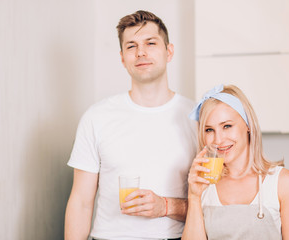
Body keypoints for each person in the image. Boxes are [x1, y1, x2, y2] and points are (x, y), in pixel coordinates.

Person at [64, 10, 197, 240]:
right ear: (122, 58)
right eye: (131, 46)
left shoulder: (196, 118)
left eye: (151, 43)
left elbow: (215, 202)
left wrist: (165, 206)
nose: (141, 52)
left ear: (169, 51)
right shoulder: (96, 117)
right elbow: (81, 203)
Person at [182, 84, 289, 240]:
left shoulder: (284, 183)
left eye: (227, 126)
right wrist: (193, 196)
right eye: (209, 130)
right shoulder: (204, 186)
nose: (218, 140)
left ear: (248, 125)